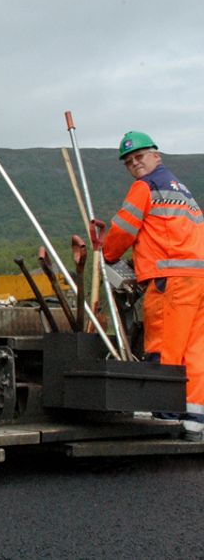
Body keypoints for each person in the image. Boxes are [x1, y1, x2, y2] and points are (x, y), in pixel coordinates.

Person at [101, 131, 204, 441]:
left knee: (164, 345)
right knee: (194, 350)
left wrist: (105, 254)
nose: (135, 164)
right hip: (198, 279)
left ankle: (166, 414)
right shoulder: (183, 191)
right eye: (129, 162)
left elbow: (123, 229)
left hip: (169, 280)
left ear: (156, 155)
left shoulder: (145, 188)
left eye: (139, 157)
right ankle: (195, 418)